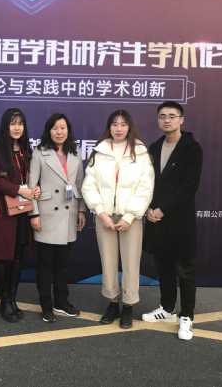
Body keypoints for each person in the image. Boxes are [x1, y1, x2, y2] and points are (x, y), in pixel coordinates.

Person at [82, 110, 154, 329]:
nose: (119, 128)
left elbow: (146, 186)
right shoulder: (100, 151)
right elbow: (89, 185)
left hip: (131, 218)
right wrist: (100, 212)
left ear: (129, 127)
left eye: (123, 124)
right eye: (114, 124)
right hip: (104, 217)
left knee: (131, 263)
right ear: (109, 127)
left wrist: (130, 216)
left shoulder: (140, 152)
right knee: (108, 262)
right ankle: (113, 303)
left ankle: (128, 306)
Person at [142, 101, 203, 341]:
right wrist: (148, 208)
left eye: (172, 116)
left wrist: (162, 209)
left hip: (180, 220)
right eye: (162, 116)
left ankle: (186, 316)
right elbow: (147, 182)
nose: (167, 120)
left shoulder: (192, 148)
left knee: (185, 270)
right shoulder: (154, 147)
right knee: (163, 267)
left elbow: (190, 186)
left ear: (181, 120)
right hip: (156, 220)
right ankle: (167, 308)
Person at [0, 108, 40, 323]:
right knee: (2, 256)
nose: (17, 128)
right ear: (5, 126)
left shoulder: (27, 151)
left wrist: (35, 190)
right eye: (13, 123)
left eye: (20, 123)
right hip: (3, 212)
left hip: (22, 212)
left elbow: (33, 178)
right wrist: (19, 190)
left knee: (17, 256)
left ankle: (13, 298)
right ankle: (4, 300)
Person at [28, 113, 86, 322]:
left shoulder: (75, 153)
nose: (59, 132)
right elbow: (31, 186)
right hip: (46, 215)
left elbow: (79, 184)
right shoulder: (39, 153)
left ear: (68, 130)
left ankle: (61, 302)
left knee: (63, 265)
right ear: (48, 131)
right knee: (45, 265)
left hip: (69, 214)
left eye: (63, 128)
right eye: (55, 128)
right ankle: (46, 306)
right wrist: (33, 213)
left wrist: (81, 211)